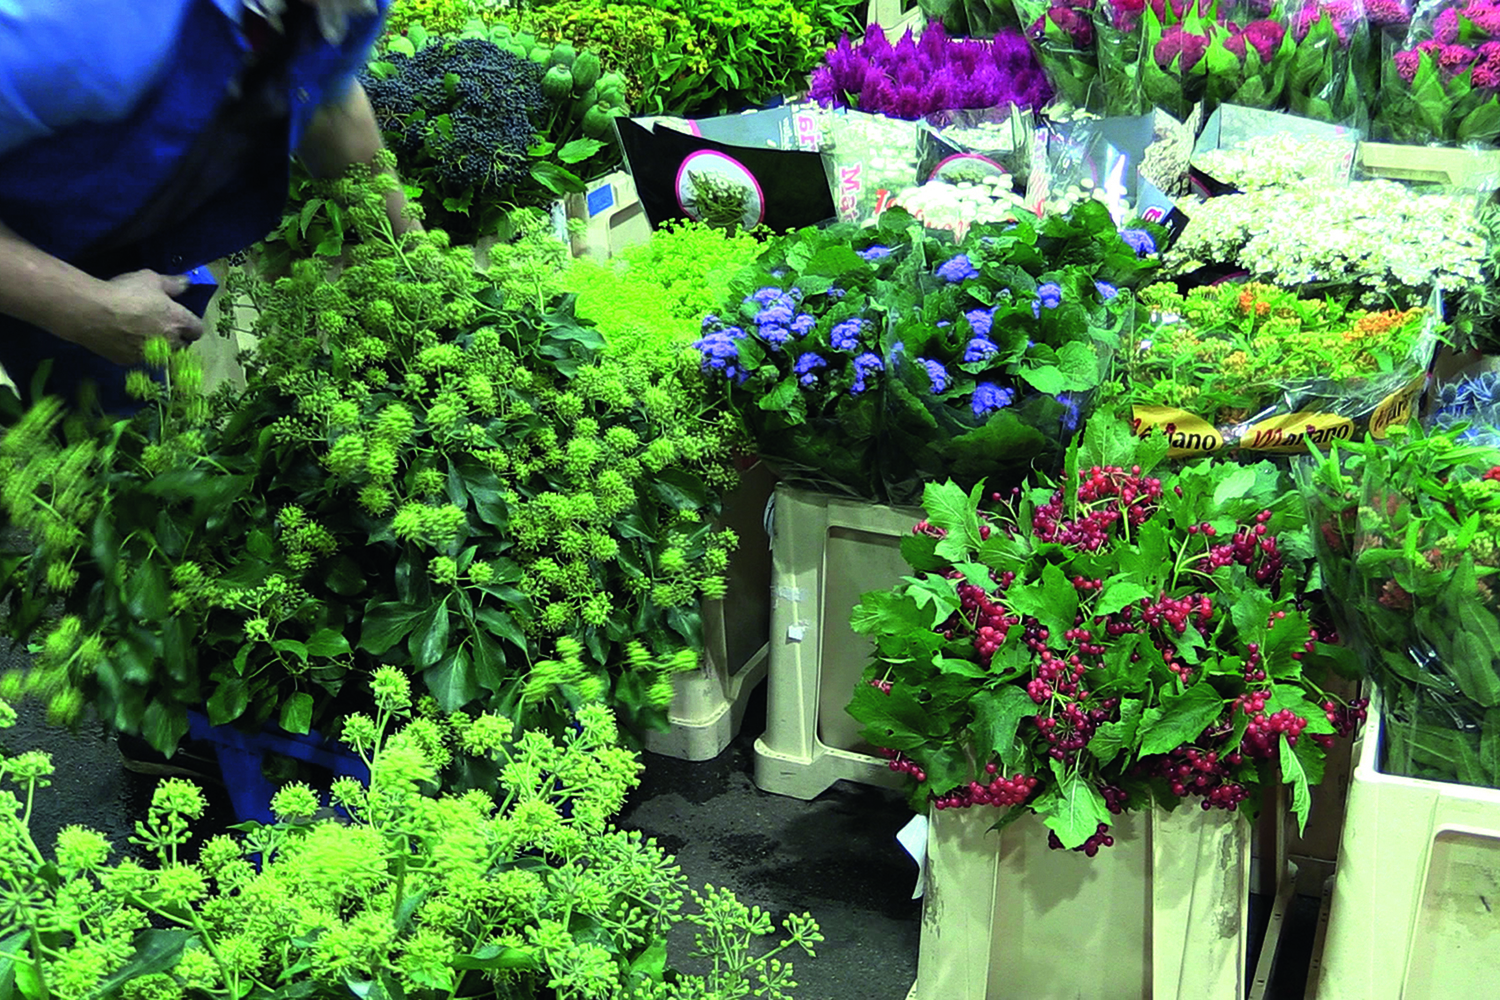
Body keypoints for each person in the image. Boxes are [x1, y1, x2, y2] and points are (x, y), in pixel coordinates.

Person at [0, 0, 416, 412]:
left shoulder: (349, 7)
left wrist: (417, 257)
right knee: (108, 439)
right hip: (35, 246)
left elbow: (329, 100)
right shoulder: (89, 27)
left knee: (150, 417)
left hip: (144, 227)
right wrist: (85, 308)